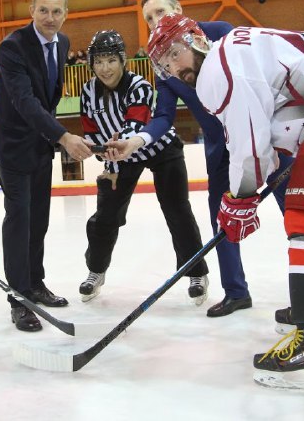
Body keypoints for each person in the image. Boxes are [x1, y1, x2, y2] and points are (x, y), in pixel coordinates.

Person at [147, 14, 304, 392]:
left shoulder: (217, 69)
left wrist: (238, 199)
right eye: (165, 65)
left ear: (196, 39)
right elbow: (270, 126)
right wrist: (242, 193)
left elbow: (249, 144)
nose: (175, 68)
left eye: (175, 53)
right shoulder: (234, 52)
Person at [104, 0, 290, 317]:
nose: (155, 21)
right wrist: (136, 142)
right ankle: (236, 291)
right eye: (149, 18)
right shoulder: (164, 67)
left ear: (179, 8)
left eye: (160, 12)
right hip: (222, 151)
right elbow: (163, 117)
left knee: (297, 210)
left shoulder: (219, 32)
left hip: (267, 137)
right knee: (222, 218)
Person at [78, 30, 209, 303]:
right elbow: (91, 132)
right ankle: (95, 271)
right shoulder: (88, 92)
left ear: (122, 60)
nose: (105, 68)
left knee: (177, 211)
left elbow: (135, 124)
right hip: (118, 158)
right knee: (105, 216)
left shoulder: (140, 85)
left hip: (159, 148)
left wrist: (116, 149)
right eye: (98, 61)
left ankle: (196, 273)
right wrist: (107, 163)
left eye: (111, 60)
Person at [0, 0, 94, 332]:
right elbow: (25, 101)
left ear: (66, 14)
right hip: (14, 145)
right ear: (31, 11)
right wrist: (62, 136)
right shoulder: (12, 47)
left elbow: (48, 99)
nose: (50, 18)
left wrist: (55, 137)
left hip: (40, 146)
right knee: (19, 219)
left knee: (39, 220)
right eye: (43, 11)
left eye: (57, 12)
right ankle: (19, 298)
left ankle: (35, 283)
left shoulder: (62, 44)